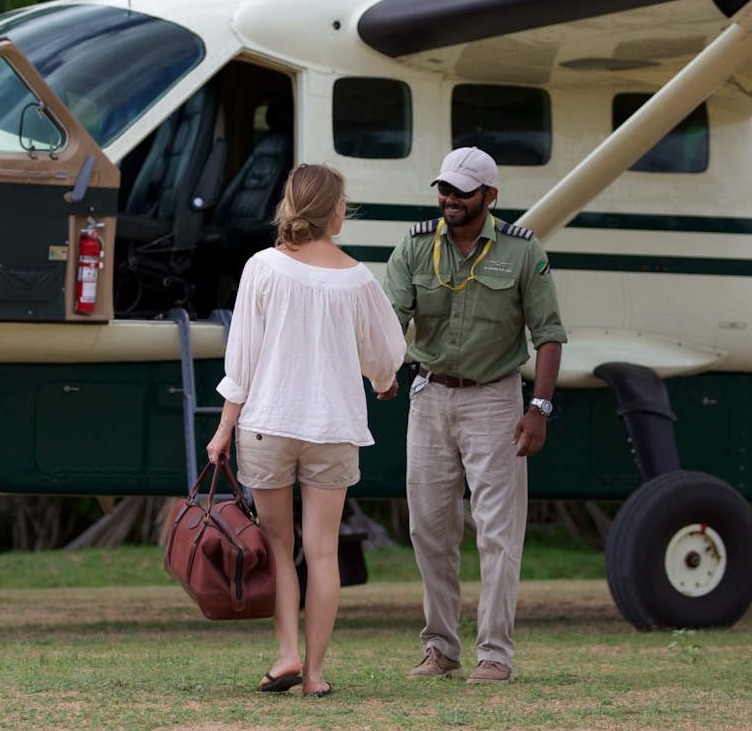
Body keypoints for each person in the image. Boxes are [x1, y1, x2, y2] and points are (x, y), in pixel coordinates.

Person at [205, 164, 405, 698]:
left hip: (269, 424)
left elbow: (241, 361)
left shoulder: (263, 267)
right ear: (335, 210)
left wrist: (225, 428)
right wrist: (382, 382)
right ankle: (314, 675)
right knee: (321, 551)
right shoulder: (359, 279)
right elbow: (387, 354)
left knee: (277, 546)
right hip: (335, 429)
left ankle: (286, 654)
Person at [382, 147, 566, 684]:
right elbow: (390, 321)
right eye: (445, 189)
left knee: (497, 531)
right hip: (430, 397)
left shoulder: (523, 251)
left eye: (463, 191)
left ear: (490, 196)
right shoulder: (415, 247)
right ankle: (440, 647)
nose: (450, 200)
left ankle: (495, 654)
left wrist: (539, 408)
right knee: (429, 528)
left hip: (495, 398)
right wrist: (381, 371)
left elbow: (549, 334)